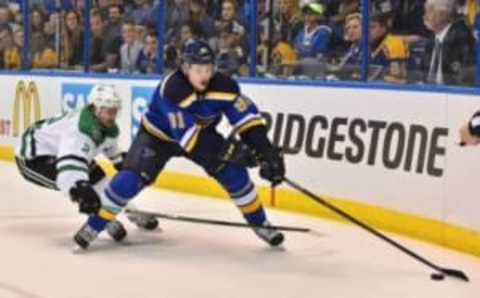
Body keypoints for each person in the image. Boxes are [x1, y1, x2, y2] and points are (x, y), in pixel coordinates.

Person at [75, 39, 286, 249]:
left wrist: (267, 153)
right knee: (129, 180)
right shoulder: (172, 88)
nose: (205, 75)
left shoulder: (226, 87)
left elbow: (248, 121)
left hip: (202, 135)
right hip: (157, 138)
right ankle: (94, 225)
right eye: (198, 69)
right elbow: (189, 138)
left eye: (208, 69)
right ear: (185, 68)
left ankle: (260, 224)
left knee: (235, 173)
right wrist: (233, 151)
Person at [14, 84, 155, 249]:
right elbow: (69, 171)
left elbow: (111, 151)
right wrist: (81, 189)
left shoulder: (105, 126)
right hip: (33, 157)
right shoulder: (79, 131)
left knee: (101, 179)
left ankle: (133, 213)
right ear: (96, 108)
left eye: (115, 110)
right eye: (108, 111)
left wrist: (127, 166)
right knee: (81, 190)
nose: (112, 115)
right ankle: (103, 219)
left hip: (63, 151)